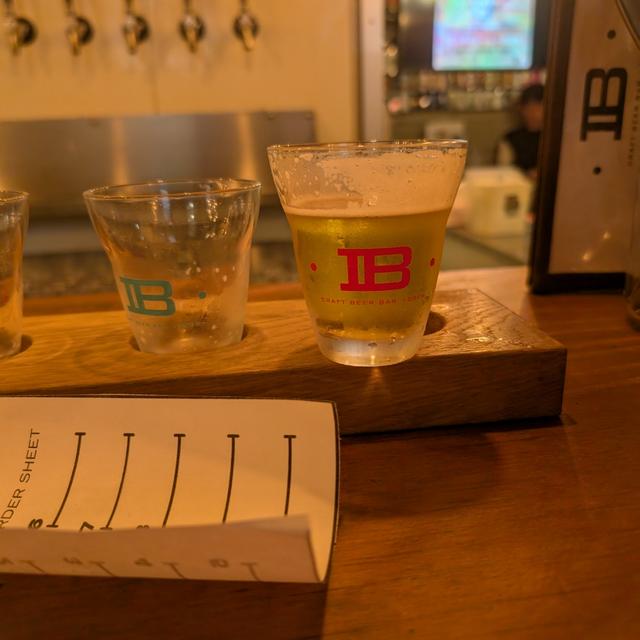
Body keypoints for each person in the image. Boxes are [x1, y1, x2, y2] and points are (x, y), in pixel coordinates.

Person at [497, 83, 544, 180]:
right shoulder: (510, 139)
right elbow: (503, 173)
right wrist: (525, 176)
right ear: (521, 109)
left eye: (538, 108)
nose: (534, 113)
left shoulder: (557, 140)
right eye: (529, 108)